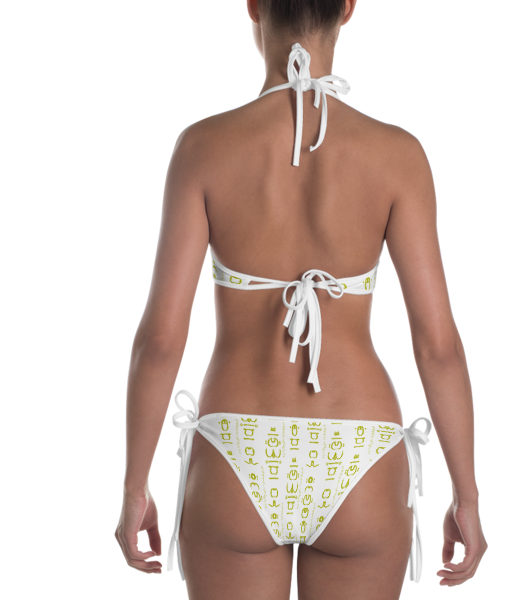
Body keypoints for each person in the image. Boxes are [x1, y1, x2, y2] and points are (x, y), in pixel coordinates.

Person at [114, 0, 488, 597]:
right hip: (360, 454)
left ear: (253, 7)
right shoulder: (397, 154)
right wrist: (466, 496)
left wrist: (135, 486)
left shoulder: (203, 146)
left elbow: (160, 340)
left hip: (236, 452)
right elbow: (437, 345)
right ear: (348, 8)